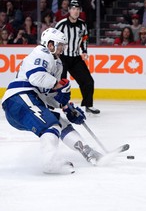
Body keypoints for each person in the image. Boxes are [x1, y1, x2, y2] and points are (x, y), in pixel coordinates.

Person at [1, 28, 102, 174]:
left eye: (63, 45)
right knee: (51, 125)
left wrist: (67, 107)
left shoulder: (57, 64)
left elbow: (48, 95)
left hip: (28, 102)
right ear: (49, 44)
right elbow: (35, 76)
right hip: (20, 98)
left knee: (61, 122)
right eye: (60, 45)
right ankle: (50, 162)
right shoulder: (42, 53)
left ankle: (87, 150)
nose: (62, 48)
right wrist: (60, 86)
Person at [55, 0, 100, 114]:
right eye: (73, 8)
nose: (75, 11)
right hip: (62, 57)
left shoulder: (82, 25)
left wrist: (84, 51)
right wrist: (54, 54)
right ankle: (58, 104)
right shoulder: (61, 24)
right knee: (61, 83)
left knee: (88, 81)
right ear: (69, 10)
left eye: (77, 9)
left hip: (75, 58)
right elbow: (53, 39)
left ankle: (88, 105)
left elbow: (84, 39)